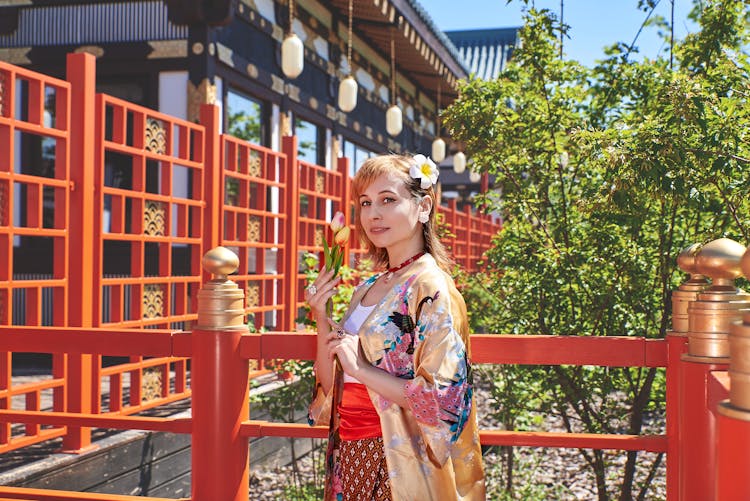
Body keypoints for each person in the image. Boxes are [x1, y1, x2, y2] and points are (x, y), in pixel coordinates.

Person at [306, 154, 486, 501]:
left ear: (424, 208)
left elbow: (442, 401)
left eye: (388, 200)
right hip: (350, 451)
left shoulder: (431, 287)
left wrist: (360, 367)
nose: (374, 213)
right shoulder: (367, 287)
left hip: (398, 458)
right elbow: (332, 385)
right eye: (365, 203)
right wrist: (320, 316)